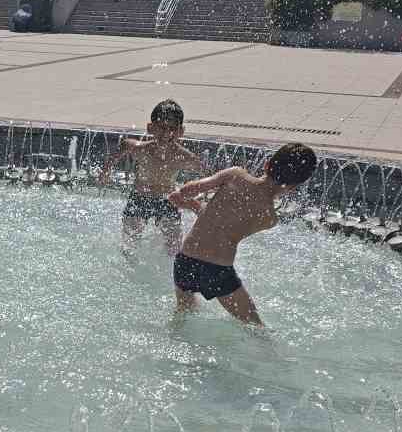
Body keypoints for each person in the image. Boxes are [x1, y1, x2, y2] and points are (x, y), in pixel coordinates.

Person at [166, 142, 318, 327]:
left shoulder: (235, 175)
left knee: (184, 314)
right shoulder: (269, 218)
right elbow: (229, 228)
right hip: (217, 271)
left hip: (185, 261)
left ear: (267, 164)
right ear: (294, 187)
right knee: (255, 326)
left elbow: (194, 192)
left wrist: (187, 199)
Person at [96, 99, 202, 254]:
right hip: (139, 197)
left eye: (172, 128)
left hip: (168, 200)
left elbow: (209, 175)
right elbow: (118, 152)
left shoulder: (185, 157)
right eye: (161, 128)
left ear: (181, 131)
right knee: (129, 247)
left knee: (174, 249)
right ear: (150, 127)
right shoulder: (140, 149)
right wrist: (105, 171)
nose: (166, 134)